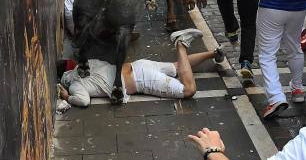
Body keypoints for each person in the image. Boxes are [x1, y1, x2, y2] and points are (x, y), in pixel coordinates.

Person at [59, 29, 224, 106]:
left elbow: (83, 101)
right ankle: (214, 53)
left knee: (188, 90)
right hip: (138, 65)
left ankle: (181, 44)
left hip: (141, 80)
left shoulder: (75, 85)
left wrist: (67, 97)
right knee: (177, 66)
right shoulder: (87, 64)